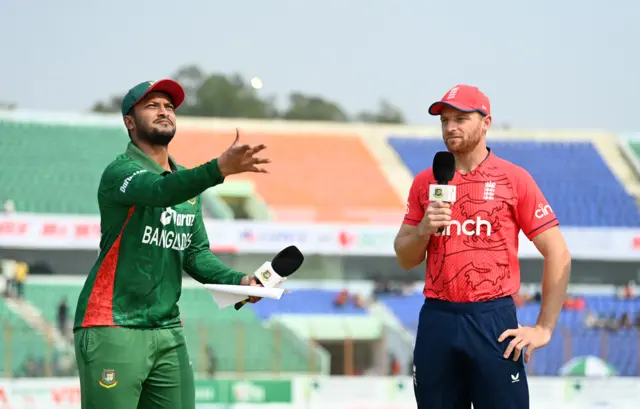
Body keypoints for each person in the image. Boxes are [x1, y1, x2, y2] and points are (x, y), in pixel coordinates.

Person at [73, 79, 270, 409]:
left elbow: (196, 254)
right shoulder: (122, 173)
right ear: (129, 122)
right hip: (113, 325)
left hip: (167, 329)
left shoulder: (186, 187)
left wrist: (240, 282)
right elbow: (160, 191)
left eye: (169, 106)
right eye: (152, 106)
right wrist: (219, 168)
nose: (164, 111)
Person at [394, 84, 571, 409]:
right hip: (437, 318)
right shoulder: (426, 182)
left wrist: (544, 328)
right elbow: (405, 257)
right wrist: (423, 229)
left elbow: (558, 251)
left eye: (460, 119)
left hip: (492, 318)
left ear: (486, 122)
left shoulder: (514, 179)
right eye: (445, 120)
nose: (450, 128)